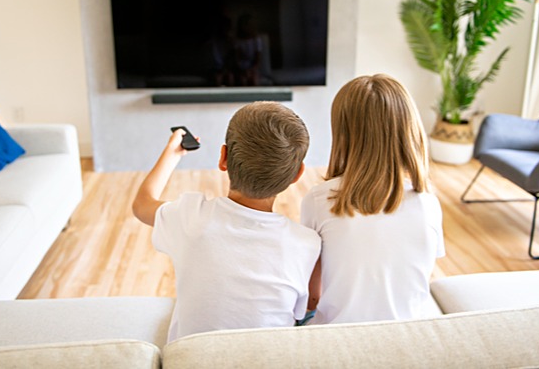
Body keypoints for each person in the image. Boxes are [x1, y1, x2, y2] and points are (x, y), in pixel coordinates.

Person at [132, 102, 321, 342]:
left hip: (191, 357)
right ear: (297, 174)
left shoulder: (190, 217)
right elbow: (306, 308)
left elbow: (141, 204)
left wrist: (172, 154)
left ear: (223, 158)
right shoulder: (307, 244)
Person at [301, 74, 445, 325]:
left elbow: (311, 297)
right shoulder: (428, 203)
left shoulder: (320, 199)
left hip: (338, 337)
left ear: (343, 134)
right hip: (411, 332)